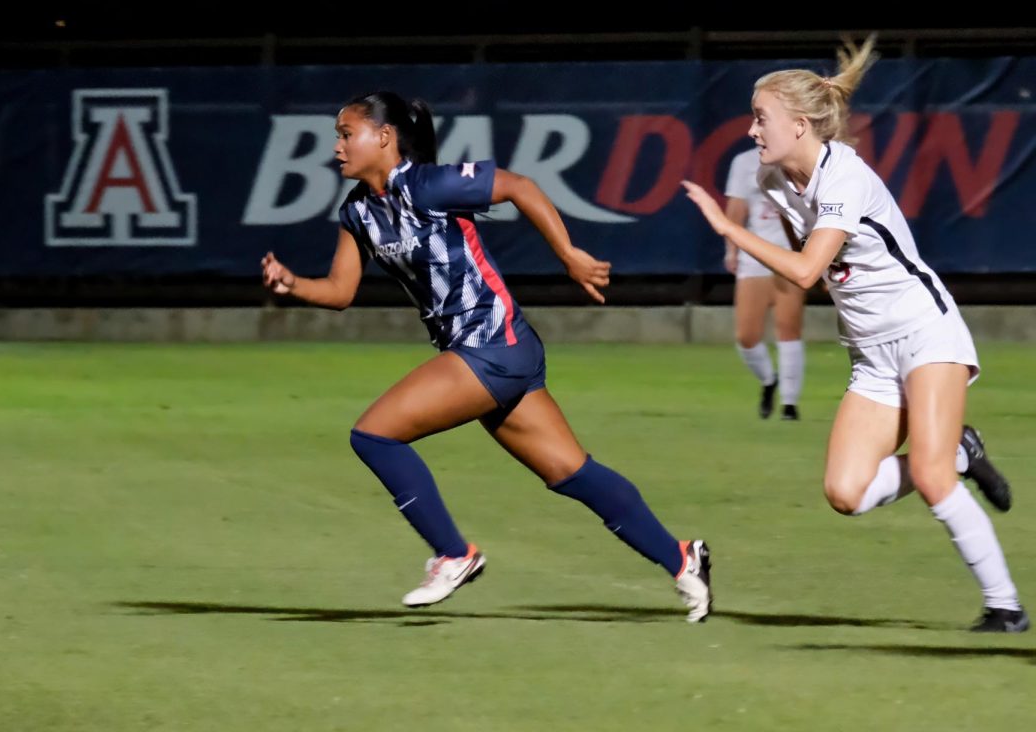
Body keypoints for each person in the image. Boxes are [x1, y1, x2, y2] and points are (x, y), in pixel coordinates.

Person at [262, 91, 712, 621]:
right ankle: (682, 558)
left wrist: (569, 255)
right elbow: (340, 292)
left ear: (383, 138)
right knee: (571, 472)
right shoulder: (358, 212)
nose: (336, 146)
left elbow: (518, 186)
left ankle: (454, 554)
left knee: (375, 435)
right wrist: (294, 284)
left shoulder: (429, 185)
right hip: (492, 352)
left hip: (492, 343)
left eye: (346, 133)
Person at [682, 39, 1026, 632]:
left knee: (931, 475)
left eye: (761, 117)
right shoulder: (773, 180)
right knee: (847, 493)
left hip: (924, 333)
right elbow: (812, 263)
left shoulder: (845, 175)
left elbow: (807, 271)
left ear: (800, 123)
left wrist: (724, 227)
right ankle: (959, 449)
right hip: (869, 353)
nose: (752, 129)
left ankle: (1006, 606)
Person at [723, 147, 807, 420]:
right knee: (746, 337)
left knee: (788, 328)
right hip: (756, 253)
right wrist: (732, 250)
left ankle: (790, 405)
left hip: (790, 252)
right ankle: (769, 380)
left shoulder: (802, 155)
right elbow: (736, 209)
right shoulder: (745, 161)